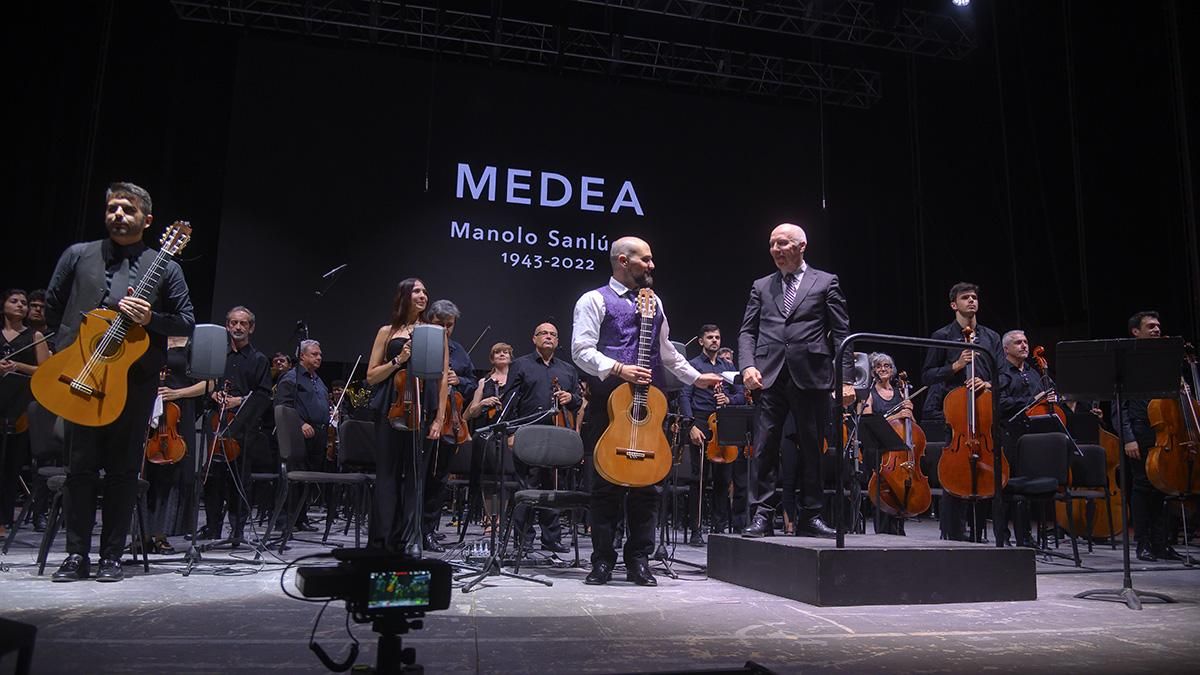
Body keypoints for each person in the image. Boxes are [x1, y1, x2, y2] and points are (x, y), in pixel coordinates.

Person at [44, 182, 194, 581]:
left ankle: (111, 556)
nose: (118, 215)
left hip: (134, 382)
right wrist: (72, 351)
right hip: (82, 375)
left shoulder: (166, 266)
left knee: (123, 472)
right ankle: (76, 555)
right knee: (79, 469)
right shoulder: (78, 255)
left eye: (128, 209)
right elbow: (54, 307)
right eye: (112, 207)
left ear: (147, 219)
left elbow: (186, 322)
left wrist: (151, 318)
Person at [572, 236, 720, 586]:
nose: (652, 266)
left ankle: (639, 560)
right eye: (646, 259)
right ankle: (602, 561)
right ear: (623, 261)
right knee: (605, 486)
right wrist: (619, 369)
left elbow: (666, 352)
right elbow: (580, 350)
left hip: (648, 406)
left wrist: (696, 378)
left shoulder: (655, 302)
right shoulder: (594, 299)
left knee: (647, 488)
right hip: (610, 405)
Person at [737, 223, 855, 539]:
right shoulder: (761, 286)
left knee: (813, 447)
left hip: (812, 375)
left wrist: (845, 380)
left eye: (783, 243)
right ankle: (763, 515)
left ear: (802, 246)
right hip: (769, 375)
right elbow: (747, 331)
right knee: (764, 446)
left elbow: (842, 333)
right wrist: (747, 366)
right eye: (772, 244)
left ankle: (811, 515)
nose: (775, 249)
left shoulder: (826, 282)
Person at [365, 278, 448, 555]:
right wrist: (398, 360)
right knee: (387, 475)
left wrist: (439, 419)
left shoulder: (436, 333)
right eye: (417, 291)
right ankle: (382, 540)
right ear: (404, 296)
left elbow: (442, 378)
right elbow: (371, 376)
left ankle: (410, 540)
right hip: (391, 406)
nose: (423, 295)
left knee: (416, 476)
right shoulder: (386, 332)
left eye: (425, 291)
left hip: (423, 409)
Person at [920, 282, 1003, 542]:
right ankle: (953, 533)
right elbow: (927, 375)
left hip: (986, 414)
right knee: (954, 473)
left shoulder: (991, 337)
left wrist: (987, 383)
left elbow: (1003, 375)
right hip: (956, 416)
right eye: (965, 297)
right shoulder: (942, 336)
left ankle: (989, 533)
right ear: (954, 304)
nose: (971, 301)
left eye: (974, 297)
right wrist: (955, 366)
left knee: (990, 470)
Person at [196, 306, 272, 544]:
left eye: (243, 323)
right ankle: (212, 527)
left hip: (243, 426)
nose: (238, 327)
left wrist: (239, 401)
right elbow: (205, 384)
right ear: (227, 326)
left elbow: (263, 394)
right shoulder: (217, 356)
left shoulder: (259, 359)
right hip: (217, 421)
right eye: (234, 323)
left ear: (251, 328)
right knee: (213, 476)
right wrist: (214, 394)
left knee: (239, 478)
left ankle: (237, 530)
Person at [506, 322, 580, 555]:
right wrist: (511, 432)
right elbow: (510, 400)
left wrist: (571, 397)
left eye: (553, 334)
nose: (548, 337)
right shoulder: (520, 365)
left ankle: (551, 539)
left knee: (552, 488)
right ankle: (523, 540)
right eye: (543, 333)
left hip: (557, 435)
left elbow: (578, 401)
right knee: (526, 487)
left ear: (557, 341)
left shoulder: (567, 370)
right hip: (528, 434)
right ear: (534, 338)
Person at [1118, 311, 1180, 562]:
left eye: (1158, 326)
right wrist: (1128, 437)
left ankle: (1162, 544)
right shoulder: (1127, 363)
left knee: (1164, 488)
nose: (1156, 330)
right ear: (1136, 332)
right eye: (1150, 326)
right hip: (1140, 431)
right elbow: (1119, 406)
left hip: (1166, 431)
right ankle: (1142, 543)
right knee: (1143, 486)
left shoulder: (1165, 360)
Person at [679, 324, 746, 545]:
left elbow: (741, 395)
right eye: (710, 337)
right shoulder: (693, 365)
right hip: (700, 422)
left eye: (717, 337)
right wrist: (690, 425)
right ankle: (696, 529)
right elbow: (684, 396)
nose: (714, 340)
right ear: (701, 341)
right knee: (698, 480)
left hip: (724, 424)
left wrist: (728, 399)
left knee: (723, 480)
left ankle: (719, 529)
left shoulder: (729, 367)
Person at [420, 300, 477, 552]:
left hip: (448, 422)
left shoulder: (458, 350)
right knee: (418, 477)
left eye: (449, 325)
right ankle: (413, 528)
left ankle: (429, 529)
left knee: (439, 478)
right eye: (439, 324)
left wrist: (459, 379)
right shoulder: (420, 344)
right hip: (420, 416)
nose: (444, 329)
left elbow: (472, 382)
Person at [141, 334, 205, 553]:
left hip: (177, 413)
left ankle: (161, 533)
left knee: (172, 475)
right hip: (148, 408)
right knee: (145, 472)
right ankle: (141, 534)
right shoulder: (150, 339)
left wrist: (177, 393)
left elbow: (208, 384)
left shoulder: (193, 345)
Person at [0, 289, 51, 533]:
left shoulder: (35, 336)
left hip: (19, 408)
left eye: (23, 302)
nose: (20, 305)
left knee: (11, 465)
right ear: (3, 305)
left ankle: (4, 520)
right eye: (14, 301)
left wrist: (18, 366)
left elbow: (45, 371)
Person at [274, 339, 331, 531]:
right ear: (302, 356)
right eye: (314, 354)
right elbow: (282, 406)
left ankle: (300, 517)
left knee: (308, 480)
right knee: (292, 479)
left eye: (320, 354)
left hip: (318, 434)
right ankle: (284, 520)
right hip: (299, 435)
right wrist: (300, 423)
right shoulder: (291, 378)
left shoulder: (317, 379)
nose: (319, 357)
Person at [860, 352, 913, 535]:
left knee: (900, 488)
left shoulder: (900, 393)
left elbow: (911, 425)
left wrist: (909, 412)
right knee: (883, 491)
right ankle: (883, 531)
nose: (883, 369)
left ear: (892, 370)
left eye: (887, 366)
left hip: (899, 452)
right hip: (879, 451)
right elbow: (868, 421)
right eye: (878, 366)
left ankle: (899, 527)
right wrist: (896, 415)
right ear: (873, 371)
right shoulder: (870, 394)